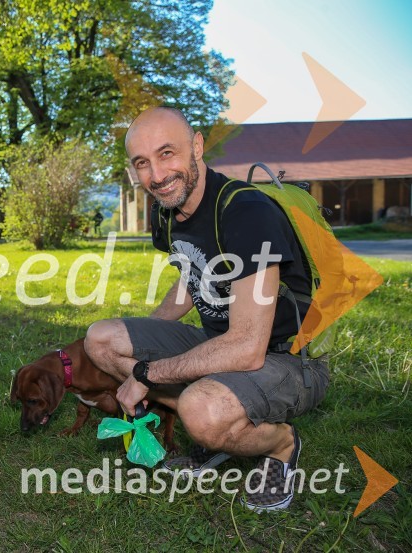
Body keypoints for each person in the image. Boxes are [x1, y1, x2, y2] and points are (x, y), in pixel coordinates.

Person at [84, 107, 329, 512]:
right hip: (222, 342)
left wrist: (147, 372)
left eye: (167, 153)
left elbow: (248, 347)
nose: (157, 176)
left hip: (286, 359)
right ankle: (216, 426)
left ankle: (280, 444)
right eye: (142, 163)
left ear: (197, 146)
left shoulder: (246, 213)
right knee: (102, 339)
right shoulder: (167, 210)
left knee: (202, 410)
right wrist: (141, 343)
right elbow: (191, 279)